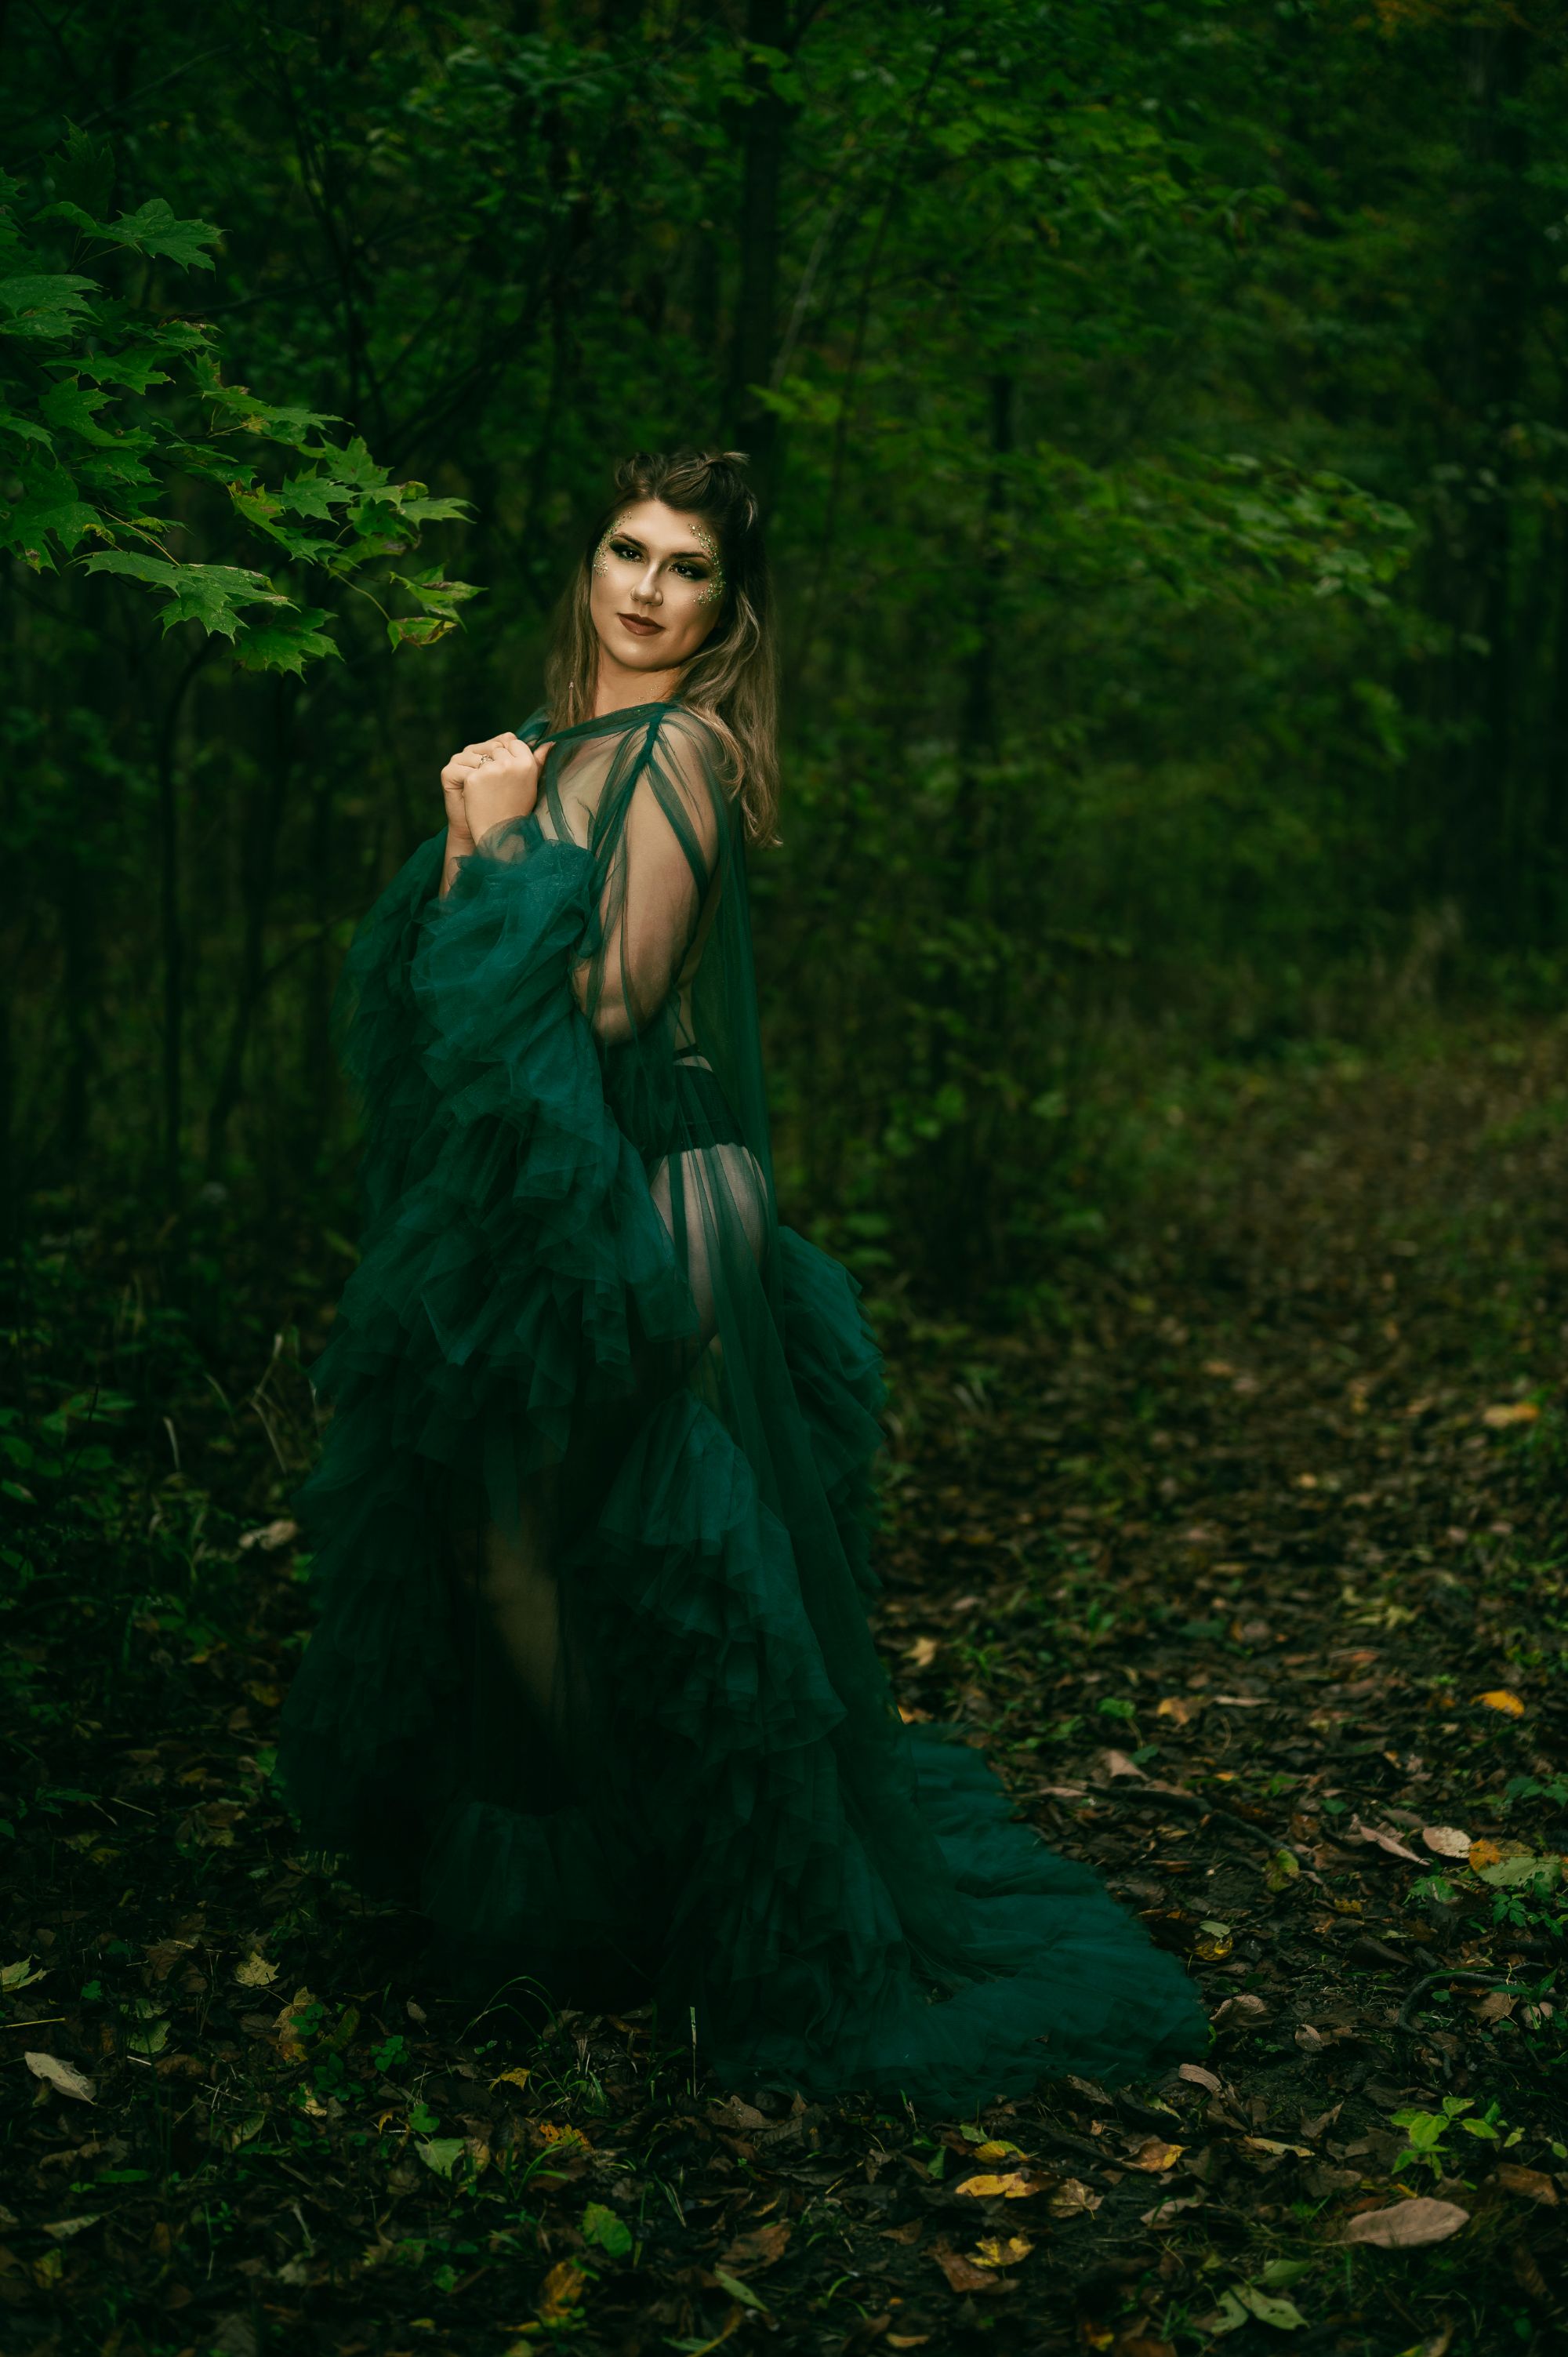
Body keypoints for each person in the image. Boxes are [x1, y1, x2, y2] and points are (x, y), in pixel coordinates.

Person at [276, 447, 1207, 2105]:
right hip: (553, 1193)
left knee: (629, 1543)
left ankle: (634, 1917)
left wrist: (496, 851)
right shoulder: (556, 746)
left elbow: (616, 1006)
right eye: (623, 549)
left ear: (727, 608)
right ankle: (585, 1894)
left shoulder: (684, 750)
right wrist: (466, 828)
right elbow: (442, 1007)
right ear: (584, 565)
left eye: (686, 566)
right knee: (506, 1539)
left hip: (658, 1188)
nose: (644, 588)